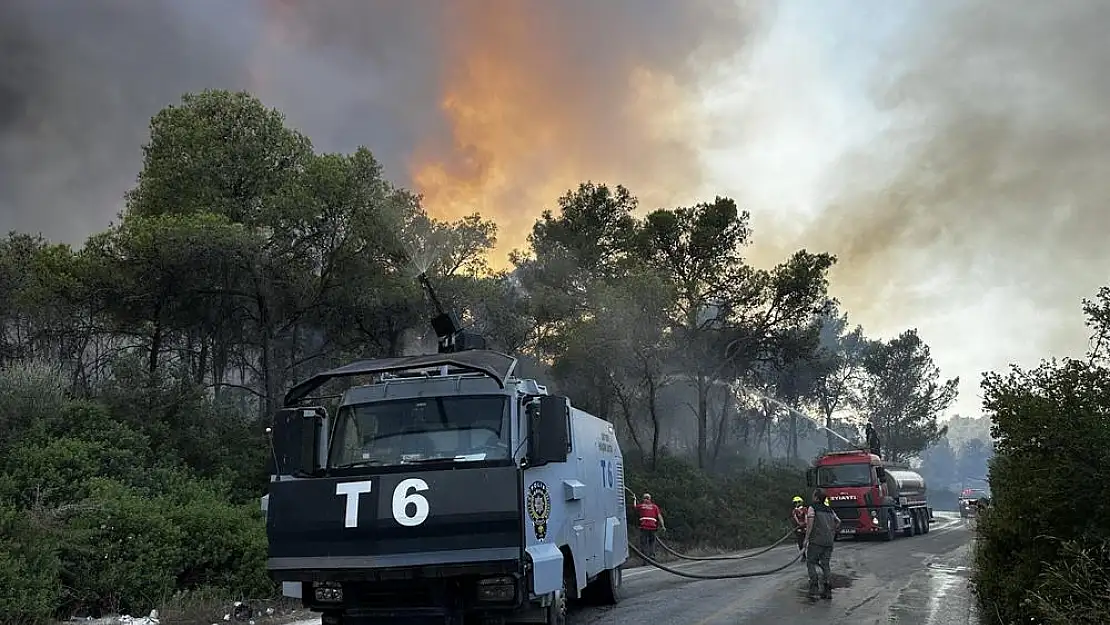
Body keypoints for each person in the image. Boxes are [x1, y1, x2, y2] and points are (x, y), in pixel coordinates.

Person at [803, 488, 842, 600]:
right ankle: (827, 590)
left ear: (816, 497)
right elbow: (838, 521)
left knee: (811, 562)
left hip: (816, 541)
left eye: (813, 495)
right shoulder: (829, 510)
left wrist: (806, 539)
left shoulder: (812, 508)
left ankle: (814, 588)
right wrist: (831, 531)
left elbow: (810, 524)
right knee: (825, 565)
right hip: (829, 541)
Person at [633, 492, 665, 559]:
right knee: (652, 542)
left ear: (643, 499)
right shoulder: (654, 506)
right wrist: (663, 526)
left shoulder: (641, 506)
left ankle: (645, 557)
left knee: (644, 543)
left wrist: (634, 499)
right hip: (652, 527)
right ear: (650, 499)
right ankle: (652, 555)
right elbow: (659, 516)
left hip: (644, 527)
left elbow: (635, 507)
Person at [790, 496, 808, 560]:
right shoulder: (794, 511)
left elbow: (806, 516)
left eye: (798, 502)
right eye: (796, 502)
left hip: (806, 528)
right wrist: (799, 524)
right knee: (800, 543)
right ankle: (803, 555)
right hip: (798, 528)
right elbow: (795, 517)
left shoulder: (805, 509)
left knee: (809, 542)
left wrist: (805, 523)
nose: (797, 503)